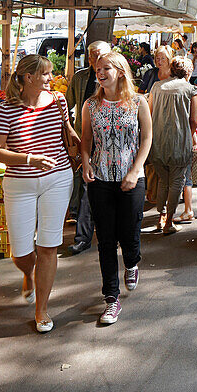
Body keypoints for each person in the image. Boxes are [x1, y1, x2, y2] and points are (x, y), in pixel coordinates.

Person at [0, 55, 75, 333]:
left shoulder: (59, 101)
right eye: (47, 74)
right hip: (20, 184)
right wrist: (30, 159)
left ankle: (42, 310)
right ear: (29, 78)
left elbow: (65, 130)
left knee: (49, 246)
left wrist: (75, 137)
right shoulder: (5, 110)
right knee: (21, 251)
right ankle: (28, 272)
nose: (52, 78)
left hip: (58, 179)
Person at [81, 51, 152, 325]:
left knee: (130, 234)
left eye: (106, 68)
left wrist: (135, 171)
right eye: (98, 69)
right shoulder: (90, 105)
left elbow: (147, 138)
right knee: (106, 240)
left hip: (131, 178)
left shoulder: (138, 102)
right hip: (100, 180)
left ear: (120, 71)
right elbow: (86, 139)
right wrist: (85, 162)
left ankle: (132, 263)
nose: (100, 73)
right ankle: (111, 298)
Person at [66, 40, 111, 255]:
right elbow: (67, 106)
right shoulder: (80, 77)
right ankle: (83, 237)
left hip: (110, 142)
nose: (95, 59)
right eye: (92, 56)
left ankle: (112, 235)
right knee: (86, 184)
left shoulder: (116, 78)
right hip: (86, 139)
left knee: (110, 188)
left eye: (99, 55)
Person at [147, 55, 197, 233]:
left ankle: (160, 217)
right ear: (189, 71)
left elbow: (149, 113)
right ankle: (169, 221)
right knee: (177, 181)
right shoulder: (191, 89)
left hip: (157, 142)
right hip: (179, 143)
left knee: (163, 181)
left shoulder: (156, 87)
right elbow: (194, 119)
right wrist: (188, 135)